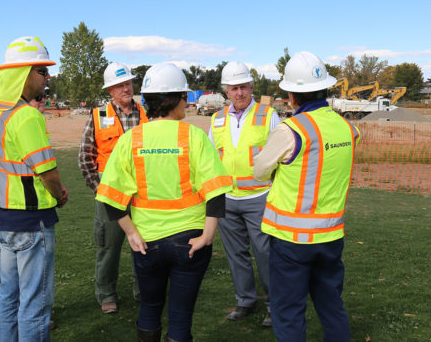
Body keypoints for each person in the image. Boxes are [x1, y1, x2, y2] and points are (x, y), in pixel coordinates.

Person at [96, 63, 233, 342]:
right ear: (176, 99)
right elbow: (216, 191)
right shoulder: (193, 136)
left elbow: (111, 198)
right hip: (190, 241)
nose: (186, 103)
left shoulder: (129, 140)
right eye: (184, 97)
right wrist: (207, 236)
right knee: (181, 316)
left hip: (146, 242)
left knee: (149, 307)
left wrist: (131, 233)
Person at [253, 51, 360, 341]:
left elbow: (260, 170)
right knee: (331, 306)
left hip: (292, 240)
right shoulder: (348, 128)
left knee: (288, 312)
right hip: (330, 236)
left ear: (291, 95)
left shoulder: (292, 129)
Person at [0, 36, 68, 341]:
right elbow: (47, 171)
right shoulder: (26, 115)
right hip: (30, 222)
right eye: (42, 70)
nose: (47, 76)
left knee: (9, 296)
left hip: (2, 219)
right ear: (23, 72)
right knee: (35, 304)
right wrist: (60, 193)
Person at [208, 61, 280, 326]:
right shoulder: (216, 119)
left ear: (251, 86)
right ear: (226, 91)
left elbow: (279, 156)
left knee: (265, 253)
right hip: (228, 198)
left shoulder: (268, 115)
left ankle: (275, 305)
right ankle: (245, 301)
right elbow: (211, 159)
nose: (239, 93)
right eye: (234, 88)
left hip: (259, 197)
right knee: (235, 253)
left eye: (243, 87)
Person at [78, 62, 148, 313]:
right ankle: (106, 294)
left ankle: (144, 290)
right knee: (109, 246)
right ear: (110, 90)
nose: (126, 88)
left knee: (144, 244)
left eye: (128, 83)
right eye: (120, 85)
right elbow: (85, 157)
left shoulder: (147, 114)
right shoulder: (98, 116)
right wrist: (101, 191)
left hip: (142, 195)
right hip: (110, 197)